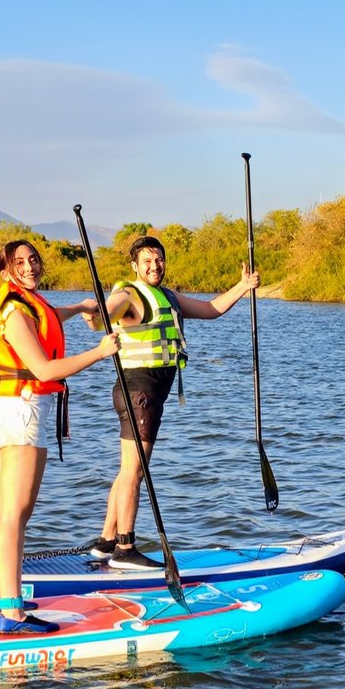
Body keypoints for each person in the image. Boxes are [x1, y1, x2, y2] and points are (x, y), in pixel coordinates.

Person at [85, 235, 259, 570]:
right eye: (147, 261)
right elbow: (105, 315)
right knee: (135, 471)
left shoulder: (167, 296)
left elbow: (210, 310)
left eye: (159, 260)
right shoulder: (129, 294)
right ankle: (125, 548)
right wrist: (95, 318)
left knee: (128, 470)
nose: (154, 266)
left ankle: (106, 541)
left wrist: (243, 286)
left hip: (149, 393)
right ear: (134, 266)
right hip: (139, 390)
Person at [0, 239, 119, 635]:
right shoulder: (13, 311)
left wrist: (80, 308)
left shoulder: (22, 303)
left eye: (33, 259)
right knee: (14, 515)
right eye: (18, 262)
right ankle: (12, 610)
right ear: (5, 272)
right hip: (23, 412)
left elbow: (49, 315)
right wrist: (99, 351)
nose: (29, 266)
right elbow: (43, 369)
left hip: (8, 409)